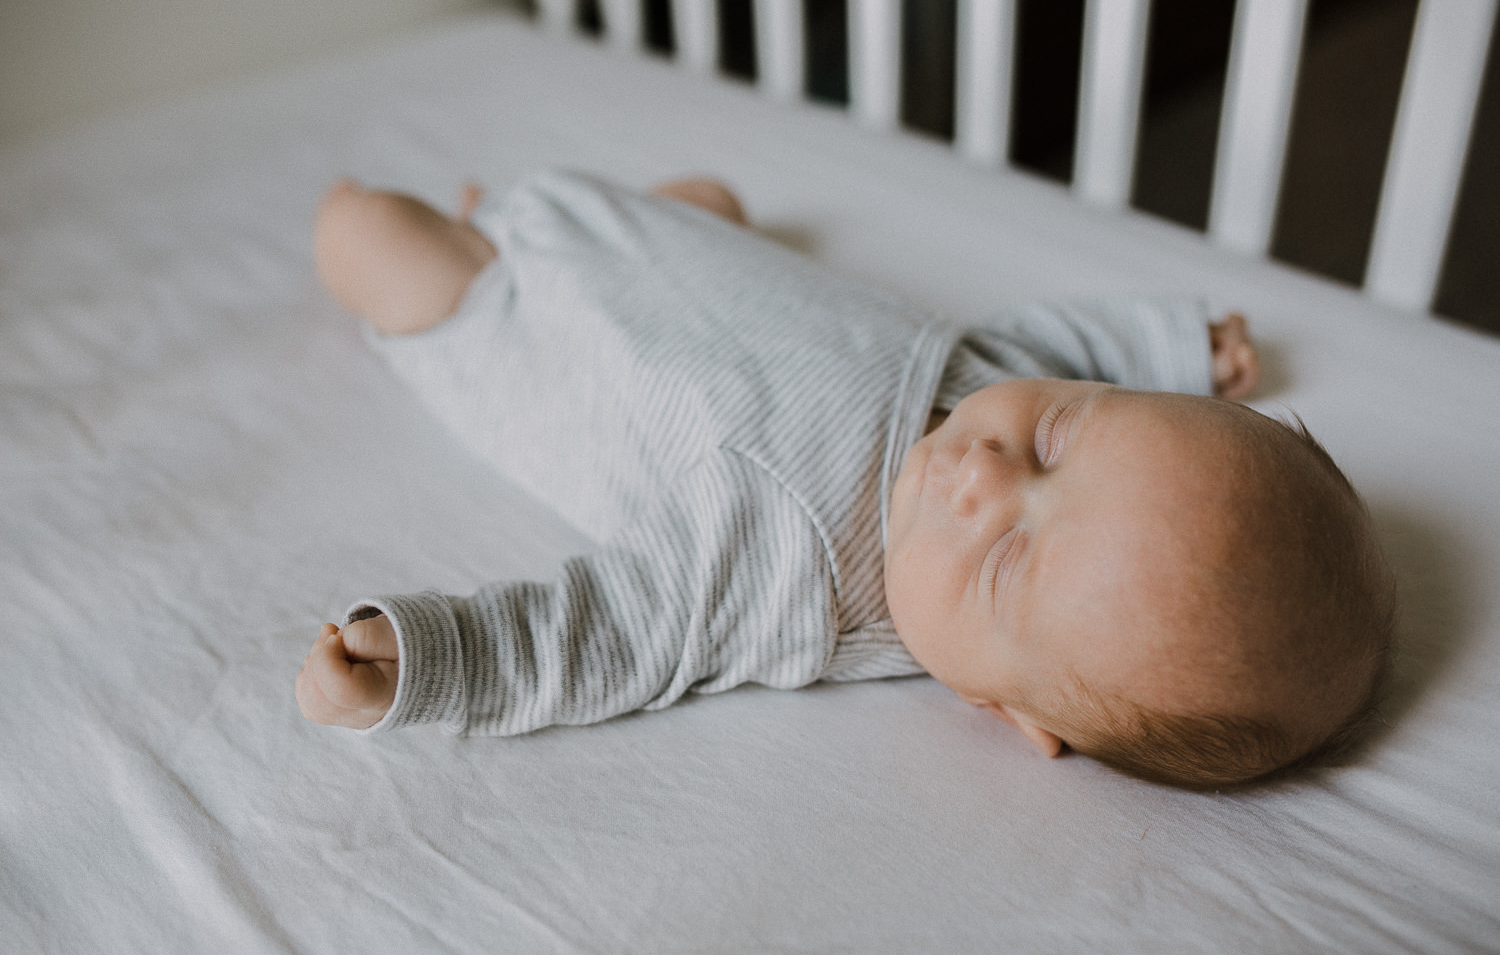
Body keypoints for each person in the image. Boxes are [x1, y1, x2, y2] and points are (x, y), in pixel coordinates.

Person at [296, 170, 1393, 789]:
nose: (986, 471)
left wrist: (429, 659)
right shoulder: (996, 382)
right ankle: (650, 207)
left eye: (1009, 555)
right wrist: (1168, 341)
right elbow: (1052, 335)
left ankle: (458, 224)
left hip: (511, 309)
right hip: (664, 238)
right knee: (717, 199)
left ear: (1008, 708)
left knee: (358, 227)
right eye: (1060, 433)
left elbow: (605, 631)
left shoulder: (795, 572)